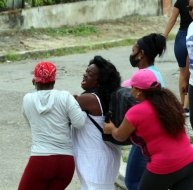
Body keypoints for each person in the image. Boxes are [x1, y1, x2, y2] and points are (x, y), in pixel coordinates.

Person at [104, 68, 193, 190]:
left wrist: (111, 128)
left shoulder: (136, 111)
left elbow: (120, 136)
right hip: (189, 160)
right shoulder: (169, 102)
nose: (131, 91)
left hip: (164, 164)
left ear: (138, 91)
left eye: (132, 87)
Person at [18, 61, 87, 190]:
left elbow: (31, 124)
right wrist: (79, 107)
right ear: (54, 80)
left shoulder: (28, 99)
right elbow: (80, 123)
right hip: (65, 163)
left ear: (35, 81)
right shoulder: (66, 97)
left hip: (40, 161)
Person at [122, 33, 166, 190]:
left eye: (133, 50)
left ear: (141, 54)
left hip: (148, 137)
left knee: (133, 181)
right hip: (150, 136)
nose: (131, 53)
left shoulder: (149, 76)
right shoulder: (152, 73)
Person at [72, 55, 121, 190]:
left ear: (100, 80)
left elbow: (62, 107)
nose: (85, 74)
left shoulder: (88, 99)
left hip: (95, 158)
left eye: (90, 73)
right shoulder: (106, 96)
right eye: (86, 71)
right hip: (107, 154)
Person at [163, 0, 192, 117]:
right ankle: (186, 106)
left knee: (182, 71)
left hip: (181, 36)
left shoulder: (180, 1)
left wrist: (163, 36)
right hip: (188, 34)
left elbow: (172, 19)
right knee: (190, 71)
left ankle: (183, 104)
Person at [182, 0, 193, 129]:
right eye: (189, 8)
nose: (191, 11)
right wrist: (185, 79)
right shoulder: (190, 27)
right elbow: (189, 54)